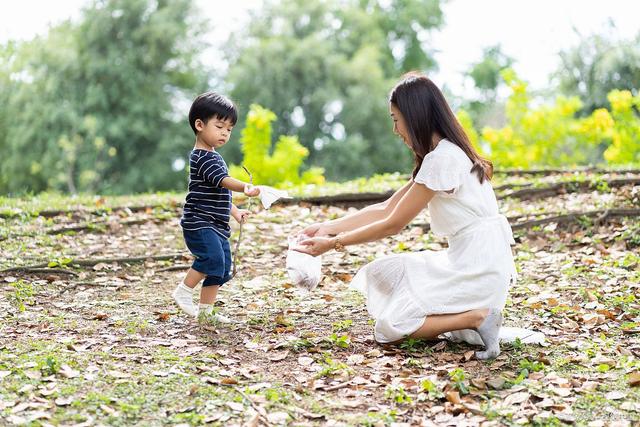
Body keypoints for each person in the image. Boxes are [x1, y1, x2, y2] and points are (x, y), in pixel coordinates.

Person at [295, 73, 517, 360]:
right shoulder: (444, 154)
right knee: (385, 272)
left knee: (391, 328)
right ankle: (467, 315)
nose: (395, 129)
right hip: (472, 259)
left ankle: (477, 317)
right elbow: (386, 208)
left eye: (396, 119)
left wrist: (334, 244)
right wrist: (325, 228)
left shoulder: (444, 159)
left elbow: (394, 224)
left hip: (478, 267)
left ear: (415, 116)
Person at [172, 92, 260, 324]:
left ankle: (206, 311)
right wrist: (245, 187)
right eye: (219, 126)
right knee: (211, 259)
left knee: (220, 269)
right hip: (200, 222)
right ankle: (183, 291)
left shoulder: (215, 157)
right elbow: (223, 181)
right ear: (199, 125)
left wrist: (235, 211)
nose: (224, 133)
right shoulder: (201, 157)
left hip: (217, 224)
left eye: (229, 129)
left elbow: (220, 192)